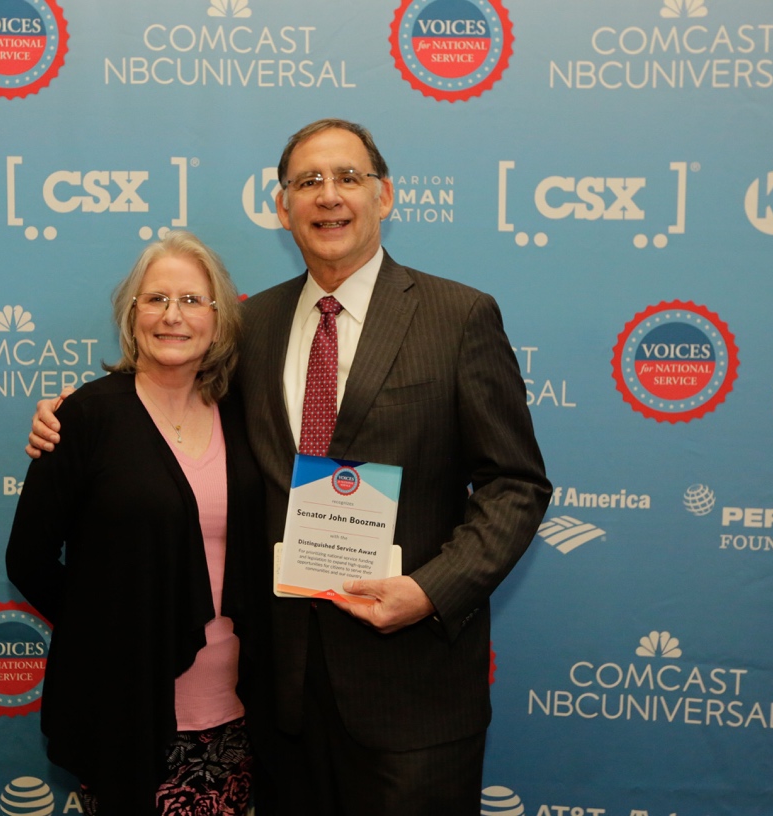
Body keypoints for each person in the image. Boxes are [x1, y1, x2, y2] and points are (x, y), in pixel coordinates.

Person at [27, 120, 551, 815]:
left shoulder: (458, 317)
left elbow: (516, 483)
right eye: (307, 182)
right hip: (277, 699)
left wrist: (428, 591)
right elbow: (172, 400)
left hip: (410, 696)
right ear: (282, 208)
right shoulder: (255, 326)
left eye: (348, 178)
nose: (328, 196)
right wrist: (75, 411)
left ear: (384, 195)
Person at [6, 231, 266, 815]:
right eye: (156, 299)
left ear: (220, 319)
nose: (173, 316)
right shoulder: (86, 416)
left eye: (193, 300)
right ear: (131, 314)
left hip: (239, 711)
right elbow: (27, 559)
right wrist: (110, 626)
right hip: (126, 710)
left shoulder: (246, 413)